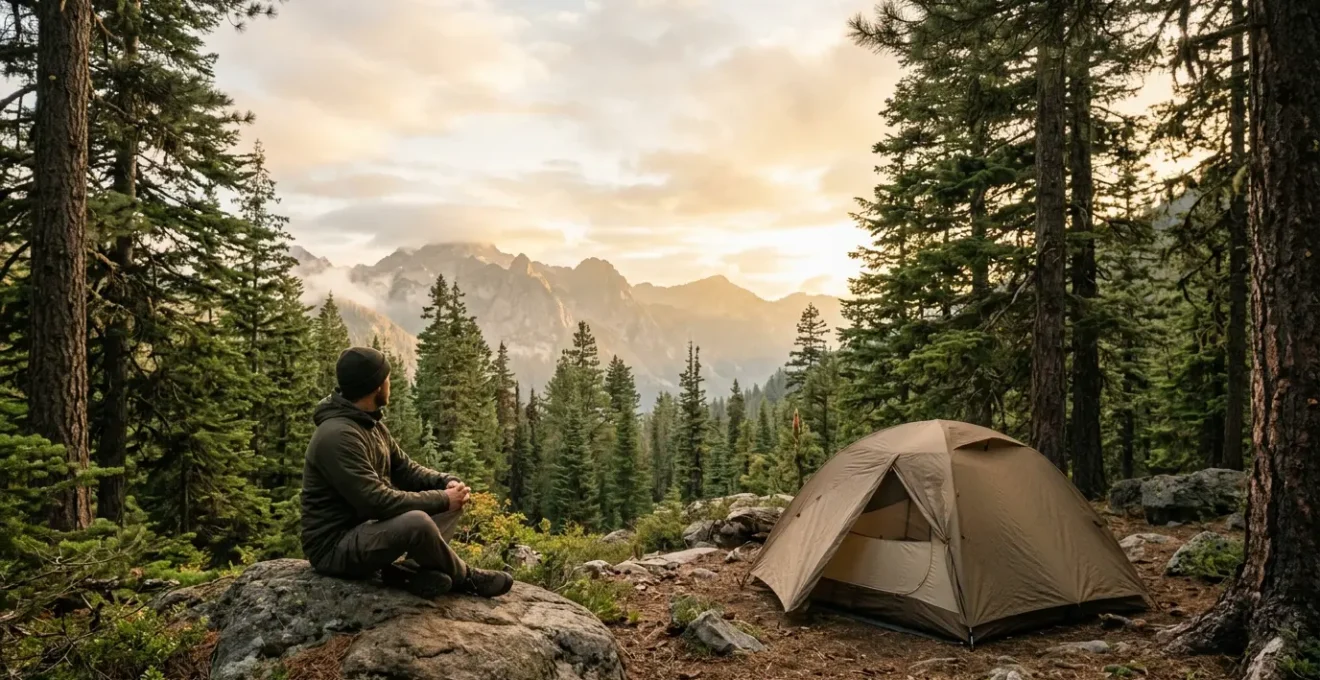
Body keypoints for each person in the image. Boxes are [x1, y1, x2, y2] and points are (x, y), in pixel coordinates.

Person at [300, 346, 513, 598]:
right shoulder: (337, 436)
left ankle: (408, 572)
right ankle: (467, 579)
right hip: (334, 548)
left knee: (449, 504)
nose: (390, 382)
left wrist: (446, 483)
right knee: (418, 522)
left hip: (365, 531)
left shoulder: (370, 423)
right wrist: (442, 498)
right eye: (387, 378)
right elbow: (376, 502)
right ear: (377, 386)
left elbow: (406, 470)